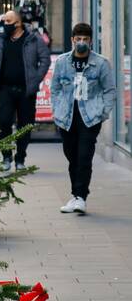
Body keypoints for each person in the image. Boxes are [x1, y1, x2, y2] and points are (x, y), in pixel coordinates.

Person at [52, 23, 115, 215]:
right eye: (78, 39)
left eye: (85, 39)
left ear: (90, 41)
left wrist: (103, 112)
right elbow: (54, 88)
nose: (81, 43)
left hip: (90, 117)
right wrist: (56, 110)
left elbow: (110, 90)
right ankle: (76, 195)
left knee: (84, 156)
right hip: (67, 117)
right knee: (72, 156)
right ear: (72, 40)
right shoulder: (62, 62)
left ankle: (80, 197)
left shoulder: (101, 63)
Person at [0, 9, 52, 170]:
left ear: (18, 23)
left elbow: (45, 59)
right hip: (5, 89)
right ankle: (6, 157)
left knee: (25, 125)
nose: (5, 25)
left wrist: (36, 78)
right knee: (4, 122)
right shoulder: (1, 40)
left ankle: (20, 158)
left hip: (26, 91)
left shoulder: (33, 39)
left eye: (8, 22)